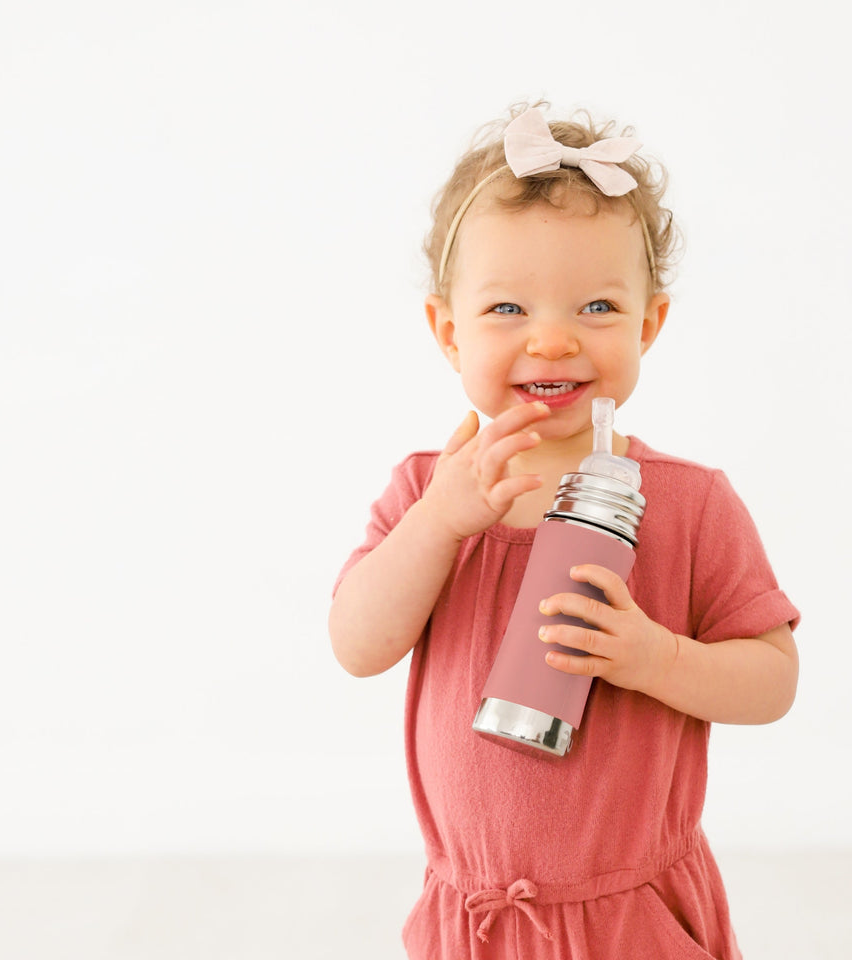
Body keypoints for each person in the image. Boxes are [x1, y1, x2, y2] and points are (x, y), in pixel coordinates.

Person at [328, 101, 799, 959]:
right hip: (473, 918)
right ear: (448, 330)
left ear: (648, 324)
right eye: (507, 308)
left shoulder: (691, 504)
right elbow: (357, 644)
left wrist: (656, 658)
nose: (552, 338)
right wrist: (438, 524)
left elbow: (772, 682)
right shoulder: (428, 491)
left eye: (596, 306)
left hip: (631, 918)